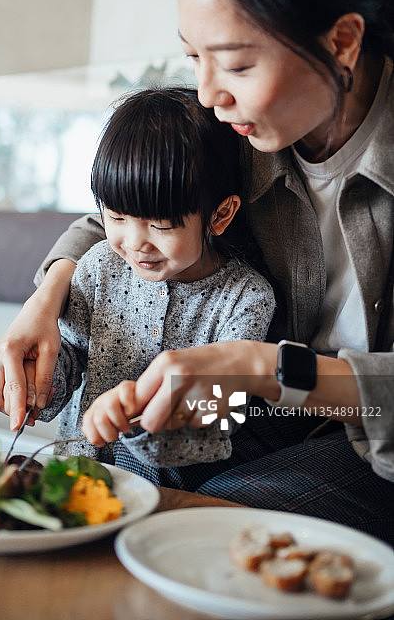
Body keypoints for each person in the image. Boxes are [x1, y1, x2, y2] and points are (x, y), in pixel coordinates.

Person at [0, 0, 394, 542]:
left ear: (341, 42)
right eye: (192, 57)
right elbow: (123, 214)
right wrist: (47, 298)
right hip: (263, 416)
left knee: (199, 522)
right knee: (102, 488)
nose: (207, 94)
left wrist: (261, 369)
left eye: (235, 64)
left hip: (363, 438)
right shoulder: (243, 132)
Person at [33, 86, 275, 488]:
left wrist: (139, 421)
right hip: (77, 477)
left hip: (168, 492)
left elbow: (218, 420)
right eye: (116, 217)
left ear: (220, 215)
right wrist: (37, 385)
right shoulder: (98, 266)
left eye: (160, 225)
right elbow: (70, 356)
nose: (135, 243)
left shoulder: (245, 299)